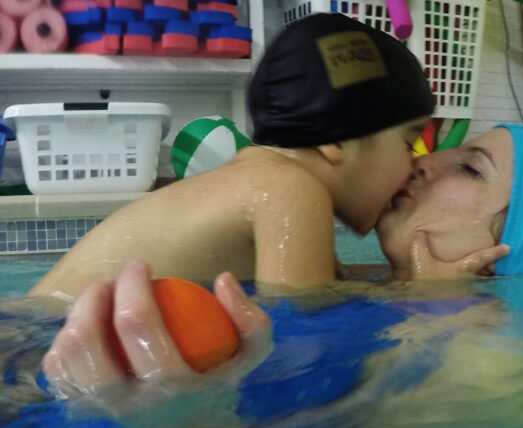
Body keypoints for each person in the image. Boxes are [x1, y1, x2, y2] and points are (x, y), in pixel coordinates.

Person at [42, 122, 523, 400]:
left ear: (501, 251)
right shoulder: (374, 291)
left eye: (469, 168)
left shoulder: (493, 361)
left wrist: (191, 427)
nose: (425, 160)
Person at [28, 12, 435, 299]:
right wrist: (425, 297)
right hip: (45, 343)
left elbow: (329, 286)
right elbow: (307, 329)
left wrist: (403, 278)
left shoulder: (263, 178)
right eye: (407, 143)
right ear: (338, 140)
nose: (415, 164)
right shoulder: (291, 190)